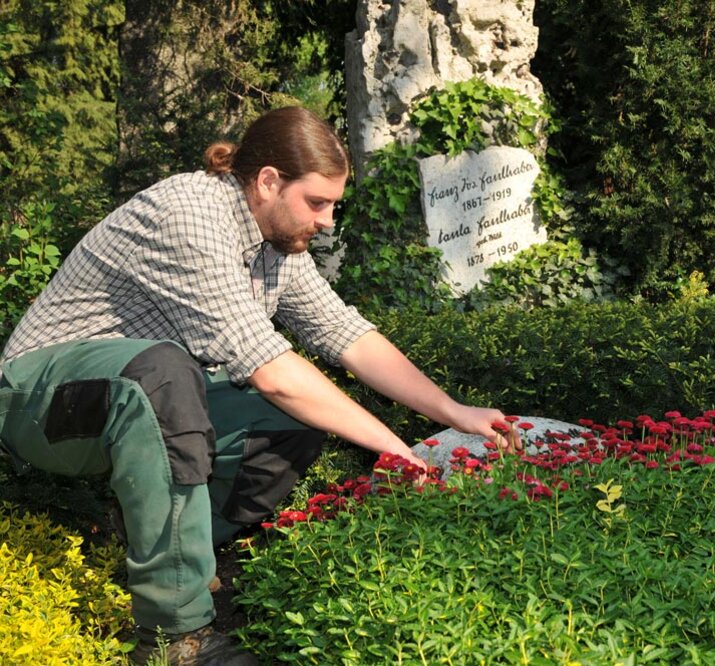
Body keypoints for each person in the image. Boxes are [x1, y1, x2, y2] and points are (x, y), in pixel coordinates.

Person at [0, 106, 512, 665]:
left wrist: (453, 411)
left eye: (333, 205)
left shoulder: (274, 241)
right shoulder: (188, 216)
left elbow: (345, 334)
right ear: (268, 181)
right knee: (169, 376)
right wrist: (396, 449)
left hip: (132, 395)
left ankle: (164, 548)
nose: (327, 221)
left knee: (289, 421)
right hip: (37, 401)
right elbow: (272, 371)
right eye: (317, 202)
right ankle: (175, 639)